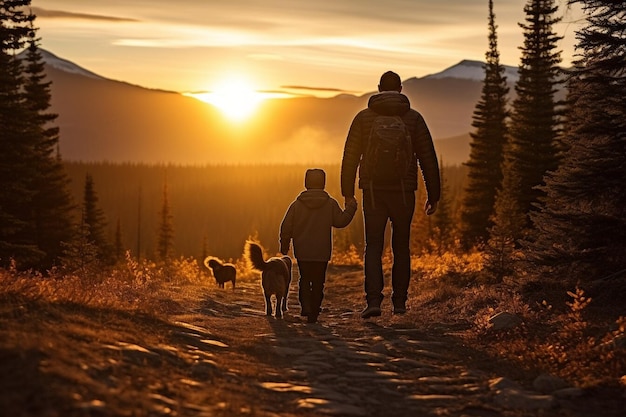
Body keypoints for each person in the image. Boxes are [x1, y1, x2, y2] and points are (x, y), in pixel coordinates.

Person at [341, 71, 440, 319]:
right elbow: (428, 158)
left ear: (378, 88)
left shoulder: (363, 118)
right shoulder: (413, 119)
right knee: (401, 247)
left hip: (373, 192)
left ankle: (373, 302)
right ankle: (399, 304)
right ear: (401, 89)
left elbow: (350, 157)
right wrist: (434, 194)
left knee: (373, 246)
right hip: (404, 192)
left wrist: (347, 193)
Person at [280, 168, 357, 323]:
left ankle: (306, 306)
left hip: (302, 251)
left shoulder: (296, 205)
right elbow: (341, 221)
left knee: (304, 278)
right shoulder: (330, 204)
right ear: (323, 183)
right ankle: (314, 310)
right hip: (322, 252)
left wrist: (284, 245)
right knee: (318, 281)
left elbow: (286, 227)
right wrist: (351, 208)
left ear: (306, 183)